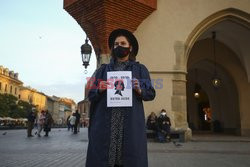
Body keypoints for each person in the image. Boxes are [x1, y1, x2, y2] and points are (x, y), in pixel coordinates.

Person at [86, 29, 156, 167]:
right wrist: (99, 89)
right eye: (116, 44)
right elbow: (91, 95)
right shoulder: (102, 70)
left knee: (129, 158)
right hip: (106, 124)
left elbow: (151, 93)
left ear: (130, 48)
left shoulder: (141, 69)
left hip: (129, 123)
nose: (119, 46)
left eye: (123, 43)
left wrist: (139, 89)